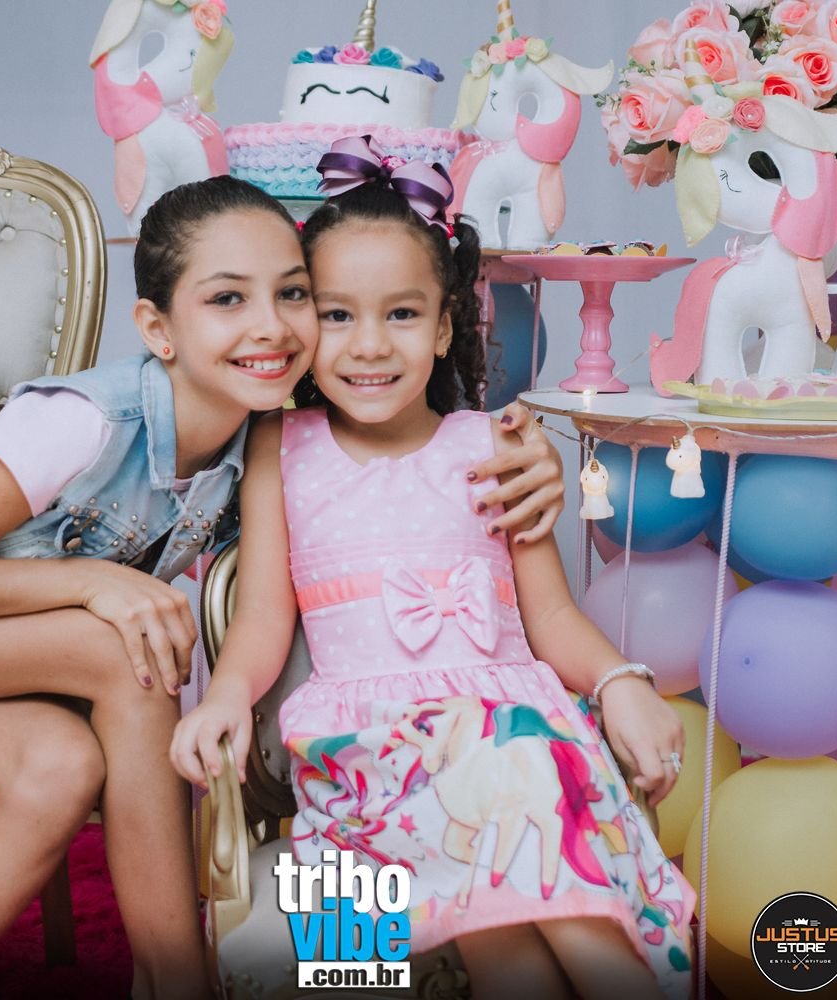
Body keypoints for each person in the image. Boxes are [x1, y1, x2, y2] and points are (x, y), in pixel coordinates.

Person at [0, 174, 566, 999]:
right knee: (130, 650)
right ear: (158, 329)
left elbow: (383, 492)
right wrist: (94, 583)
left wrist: (530, 460)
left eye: (293, 294)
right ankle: (175, 977)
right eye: (227, 299)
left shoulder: (263, 441)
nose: (269, 325)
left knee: (57, 772)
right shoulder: (84, 423)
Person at [170, 146, 696, 999]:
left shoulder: (496, 444)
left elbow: (551, 618)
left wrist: (620, 682)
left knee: (512, 860)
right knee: (509, 785)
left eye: (403, 314)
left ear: (446, 327)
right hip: (378, 760)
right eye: (337, 315)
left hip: (511, 747)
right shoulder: (281, 447)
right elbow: (263, 615)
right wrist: (226, 695)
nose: (370, 345)